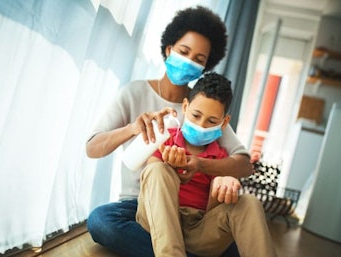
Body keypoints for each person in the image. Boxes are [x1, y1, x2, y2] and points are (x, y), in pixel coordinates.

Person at [86, 6, 252, 257]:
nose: (188, 61)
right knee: (102, 222)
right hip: (139, 204)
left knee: (235, 240)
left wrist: (200, 165)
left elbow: (244, 165)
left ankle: (172, 248)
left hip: (193, 211)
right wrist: (132, 128)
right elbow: (92, 147)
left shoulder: (201, 108)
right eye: (184, 52)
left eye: (198, 59)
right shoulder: (135, 93)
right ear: (168, 49)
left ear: (205, 67)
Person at [136, 72, 276, 256]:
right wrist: (169, 165)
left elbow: (214, 213)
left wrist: (222, 187)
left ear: (224, 122)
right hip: (158, 219)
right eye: (196, 115)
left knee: (249, 203)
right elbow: (149, 178)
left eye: (211, 121)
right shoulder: (165, 138)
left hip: (199, 231)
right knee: (157, 169)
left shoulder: (222, 158)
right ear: (185, 106)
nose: (201, 125)